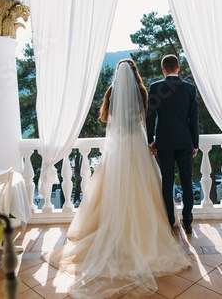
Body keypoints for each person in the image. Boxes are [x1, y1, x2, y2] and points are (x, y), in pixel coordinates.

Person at [44, 59, 190, 299]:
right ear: (134, 73)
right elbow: (146, 117)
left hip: (117, 146)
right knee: (142, 187)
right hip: (136, 143)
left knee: (111, 189)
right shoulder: (142, 91)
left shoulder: (112, 91)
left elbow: (105, 118)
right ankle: (144, 230)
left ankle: (113, 229)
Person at [146, 54, 199, 235]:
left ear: (163, 69)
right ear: (178, 68)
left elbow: (150, 116)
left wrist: (150, 141)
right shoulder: (190, 89)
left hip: (165, 143)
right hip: (185, 142)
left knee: (167, 183)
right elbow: (194, 119)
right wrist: (195, 143)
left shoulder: (155, 87)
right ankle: (188, 222)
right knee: (186, 182)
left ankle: (169, 221)